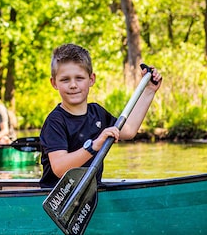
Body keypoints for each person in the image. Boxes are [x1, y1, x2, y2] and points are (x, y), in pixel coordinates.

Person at [39, 43, 162, 189]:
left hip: (90, 194)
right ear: (54, 83)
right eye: (65, 80)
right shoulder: (55, 122)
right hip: (57, 197)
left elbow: (128, 130)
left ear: (91, 79)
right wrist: (94, 146)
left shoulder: (97, 113)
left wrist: (149, 91)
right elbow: (60, 168)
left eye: (79, 78)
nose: (73, 85)